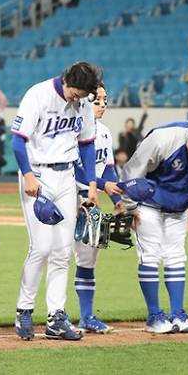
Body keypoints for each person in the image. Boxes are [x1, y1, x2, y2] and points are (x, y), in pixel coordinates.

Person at [12, 62, 102, 341]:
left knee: (63, 251)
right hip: (38, 175)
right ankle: (24, 309)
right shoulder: (38, 95)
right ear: (66, 80)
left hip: (66, 177)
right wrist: (27, 175)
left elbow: (87, 144)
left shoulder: (84, 103)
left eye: (84, 94)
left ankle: (56, 317)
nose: (79, 98)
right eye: (76, 92)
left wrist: (91, 184)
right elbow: (17, 141)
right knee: (40, 247)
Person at [122, 121, 188, 334]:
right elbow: (132, 171)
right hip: (147, 204)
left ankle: (178, 314)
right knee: (150, 256)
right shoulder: (163, 139)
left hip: (178, 208)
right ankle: (154, 316)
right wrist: (130, 207)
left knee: (176, 256)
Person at [72, 84, 123, 334]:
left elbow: (108, 167)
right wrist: (103, 185)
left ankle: (87, 316)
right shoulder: (72, 131)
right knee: (56, 256)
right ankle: (51, 313)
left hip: (92, 200)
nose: (103, 104)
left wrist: (117, 200)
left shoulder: (104, 133)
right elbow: (76, 170)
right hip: (69, 198)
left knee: (89, 259)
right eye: (97, 100)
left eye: (105, 99)